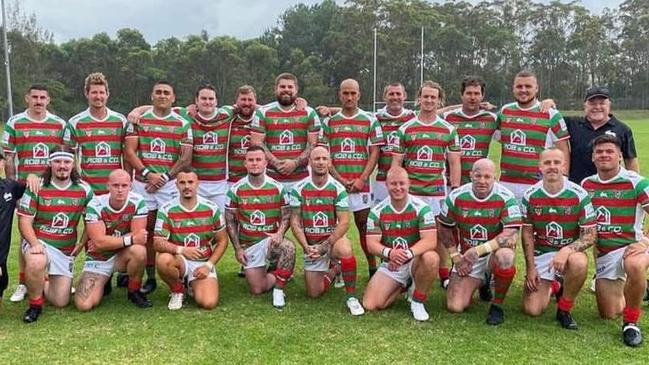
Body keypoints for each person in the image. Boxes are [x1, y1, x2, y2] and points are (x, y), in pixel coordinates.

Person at [124, 80, 193, 294]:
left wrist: (162, 177)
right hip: (142, 184)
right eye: (158, 92)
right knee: (145, 232)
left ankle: (183, 275)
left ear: (173, 98)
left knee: (173, 232)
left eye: (166, 93)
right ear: (151, 96)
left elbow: (185, 158)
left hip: (170, 185)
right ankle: (150, 277)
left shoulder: (182, 123)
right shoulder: (139, 119)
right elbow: (129, 151)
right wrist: (147, 174)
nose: (162, 96)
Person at [391, 80, 461, 289]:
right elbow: (396, 162)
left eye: (433, 97)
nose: (429, 100)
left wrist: (454, 190)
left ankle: (442, 274)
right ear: (418, 98)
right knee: (410, 233)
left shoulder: (448, 129)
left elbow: (454, 162)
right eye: (426, 96)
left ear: (440, 101)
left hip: (437, 192)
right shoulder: (406, 128)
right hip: (411, 192)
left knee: (440, 234)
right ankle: (407, 274)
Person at [581, 134, 649, 347]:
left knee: (634, 264)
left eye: (609, 151)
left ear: (620, 155)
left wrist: (645, 242)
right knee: (608, 313)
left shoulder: (637, 183)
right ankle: (641, 290)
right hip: (606, 254)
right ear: (592, 157)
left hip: (632, 246)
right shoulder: (586, 184)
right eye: (599, 152)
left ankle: (631, 323)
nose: (604, 155)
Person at [3, 84, 67, 303]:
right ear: (26, 98)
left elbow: (63, 156)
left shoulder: (59, 124)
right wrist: (13, 187)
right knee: (26, 235)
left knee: (50, 231)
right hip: (24, 186)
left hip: (50, 187)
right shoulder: (15, 122)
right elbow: (10, 157)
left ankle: (48, 278)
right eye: (35, 97)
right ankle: (23, 283)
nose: (39, 101)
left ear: (49, 100)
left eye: (43, 97)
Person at [521, 148, 597, 329]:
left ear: (564, 165)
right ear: (540, 166)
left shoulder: (579, 194)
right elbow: (526, 233)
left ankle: (564, 309)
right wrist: (531, 267)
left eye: (556, 162)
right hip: (543, 253)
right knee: (532, 309)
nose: (552, 167)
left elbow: (591, 234)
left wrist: (566, 250)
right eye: (547, 163)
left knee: (579, 262)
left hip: (569, 254)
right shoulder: (530, 195)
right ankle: (554, 284)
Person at [438, 159, 521, 325]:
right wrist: (456, 257)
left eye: (487, 176)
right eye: (478, 176)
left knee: (505, 257)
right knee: (455, 306)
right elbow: (444, 227)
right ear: (470, 175)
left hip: (491, 253)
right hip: (466, 256)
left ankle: (497, 305)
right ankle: (483, 280)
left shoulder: (506, 197)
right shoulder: (456, 196)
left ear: (495, 178)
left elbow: (510, 234)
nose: (482, 181)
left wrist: (479, 250)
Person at [18, 146, 94, 323]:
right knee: (36, 260)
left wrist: (82, 243)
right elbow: (24, 222)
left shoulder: (84, 189)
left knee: (61, 301)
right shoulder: (36, 187)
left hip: (64, 250)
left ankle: (36, 282)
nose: (62, 166)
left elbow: (91, 221)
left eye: (66, 161)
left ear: (73, 164)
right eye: (57, 161)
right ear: (49, 163)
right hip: (40, 242)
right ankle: (35, 305)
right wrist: (34, 243)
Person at [320, 78, 385, 278]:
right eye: (345, 93)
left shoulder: (369, 120)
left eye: (353, 93)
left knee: (365, 226)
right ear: (339, 95)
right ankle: (335, 267)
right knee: (334, 227)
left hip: (361, 185)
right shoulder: (330, 121)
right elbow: (324, 152)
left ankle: (373, 267)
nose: (349, 97)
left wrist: (363, 178)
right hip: (335, 184)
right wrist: (338, 178)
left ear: (359, 95)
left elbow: (375, 152)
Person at [289, 146, 364, 315]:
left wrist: (325, 245)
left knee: (345, 248)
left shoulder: (338, 189)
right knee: (314, 293)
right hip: (312, 245)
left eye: (324, 159)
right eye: (317, 159)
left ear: (330, 163)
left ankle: (351, 297)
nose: (321, 162)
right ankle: (335, 270)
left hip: (332, 241)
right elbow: (295, 221)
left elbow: (344, 223)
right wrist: (306, 246)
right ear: (309, 162)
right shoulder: (298, 188)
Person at [362, 167, 439, 321]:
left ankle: (417, 300)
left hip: (415, 260)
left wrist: (407, 254)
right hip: (392, 263)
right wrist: (390, 254)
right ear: (386, 185)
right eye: (393, 184)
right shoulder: (377, 211)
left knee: (431, 258)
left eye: (402, 183)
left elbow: (430, 240)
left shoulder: (421, 208)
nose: (398, 188)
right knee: (370, 304)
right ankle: (404, 284)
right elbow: (371, 244)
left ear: (409, 184)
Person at [225, 145, 295, 308]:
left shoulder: (278, 187)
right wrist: (238, 249)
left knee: (288, 248)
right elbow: (230, 221)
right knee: (257, 289)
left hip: (270, 240)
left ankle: (279, 289)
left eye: (258, 160)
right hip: (250, 244)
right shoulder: (235, 189)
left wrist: (279, 233)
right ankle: (278, 272)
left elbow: (286, 215)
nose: (255, 163)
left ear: (265, 163)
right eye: (251, 160)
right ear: (245, 164)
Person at [74, 169, 151, 311]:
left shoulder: (137, 201)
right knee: (83, 305)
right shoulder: (95, 204)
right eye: (115, 185)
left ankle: (134, 291)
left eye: (124, 185)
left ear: (130, 186)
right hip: (99, 258)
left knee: (139, 251)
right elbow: (99, 243)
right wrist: (129, 239)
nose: (120, 190)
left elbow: (139, 239)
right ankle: (104, 281)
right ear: (107, 186)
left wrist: (107, 242)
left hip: (123, 255)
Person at [154, 167, 228, 310]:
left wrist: (208, 266)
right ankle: (177, 290)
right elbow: (157, 242)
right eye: (182, 183)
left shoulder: (211, 208)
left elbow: (222, 241)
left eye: (190, 182)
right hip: (179, 259)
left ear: (197, 183)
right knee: (163, 260)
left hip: (202, 262)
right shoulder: (167, 209)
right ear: (176, 185)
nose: (186, 186)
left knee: (208, 303)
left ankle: (190, 284)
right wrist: (182, 250)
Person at [496, 71, 570, 201]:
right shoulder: (504, 111)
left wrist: (563, 178)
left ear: (536, 89)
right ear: (513, 88)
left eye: (528, 86)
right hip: (506, 184)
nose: (523, 90)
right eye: (519, 86)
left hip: (538, 185)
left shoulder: (551, 114)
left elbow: (563, 149)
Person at [251, 73, 320, 192]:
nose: (286, 90)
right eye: (282, 87)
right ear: (275, 89)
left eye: (290, 87)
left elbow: (314, 144)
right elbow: (256, 143)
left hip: (301, 179)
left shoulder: (309, 113)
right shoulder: (263, 112)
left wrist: (295, 163)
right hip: (271, 178)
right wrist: (277, 163)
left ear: (296, 90)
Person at [65, 72, 129, 195]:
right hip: (89, 190)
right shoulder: (75, 123)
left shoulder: (120, 121)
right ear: (86, 94)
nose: (98, 96)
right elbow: (68, 157)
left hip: (116, 190)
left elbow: (127, 155)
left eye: (101, 92)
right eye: (94, 92)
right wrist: (77, 185)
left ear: (107, 94)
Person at [566, 86, 638, 184]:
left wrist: (635, 185)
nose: (597, 107)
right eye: (592, 103)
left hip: (610, 190)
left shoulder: (622, 130)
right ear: (585, 105)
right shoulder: (572, 124)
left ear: (609, 105)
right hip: (578, 188)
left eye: (602, 103)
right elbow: (550, 117)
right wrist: (548, 103)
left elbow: (631, 161)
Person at [443, 76, 498, 185]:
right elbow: (429, 113)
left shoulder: (492, 119)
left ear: (483, 96)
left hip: (479, 184)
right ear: (461, 95)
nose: (472, 97)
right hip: (450, 183)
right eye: (468, 93)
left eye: (477, 94)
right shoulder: (447, 117)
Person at [373, 83, 416, 204]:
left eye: (398, 94)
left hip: (406, 180)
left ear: (405, 96)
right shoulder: (376, 118)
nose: (395, 97)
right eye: (391, 94)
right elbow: (355, 112)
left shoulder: (412, 117)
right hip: (382, 179)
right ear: (384, 97)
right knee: (381, 215)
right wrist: (331, 109)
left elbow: (438, 111)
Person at [0, 151, 28, 305]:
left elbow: (31, 188)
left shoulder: (9, 187)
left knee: (2, 280)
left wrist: (31, 177)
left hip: (1, 261)